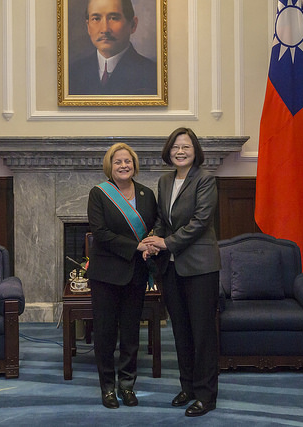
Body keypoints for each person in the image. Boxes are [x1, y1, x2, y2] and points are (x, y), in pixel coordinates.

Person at [141, 127, 221, 417]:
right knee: (181, 331)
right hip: (172, 268)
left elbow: (200, 222)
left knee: (202, 333)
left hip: (200, 267)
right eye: (175, 147)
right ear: (168, 151)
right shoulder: (165, 181)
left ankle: (206, 395)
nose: (180, 151)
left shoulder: (205, 180)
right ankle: (187, 387)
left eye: (186, 146)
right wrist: (153, 242)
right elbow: (163, 221)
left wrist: (167, 242)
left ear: (195, 151)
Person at [86, 143, 157, 409]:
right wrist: (137, 246)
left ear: (134, 165)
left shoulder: (147, 194)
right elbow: (100, 233)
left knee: (130, 334)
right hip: (105, 275)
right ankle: (107, 387)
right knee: (105, 334)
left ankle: (127, 385)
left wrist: (152, 243)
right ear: (110, 166)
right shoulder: (99, 194)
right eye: (118, 162)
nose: (123, 166)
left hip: (136, 274)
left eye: (128, 161)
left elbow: (155, 226)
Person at [69, 0, 157, 96]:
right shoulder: (73, 72)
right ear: (88, 27)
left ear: (133, 25)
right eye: (96, 19)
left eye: (113, 18)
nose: (105, 29)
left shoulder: (152, 74)